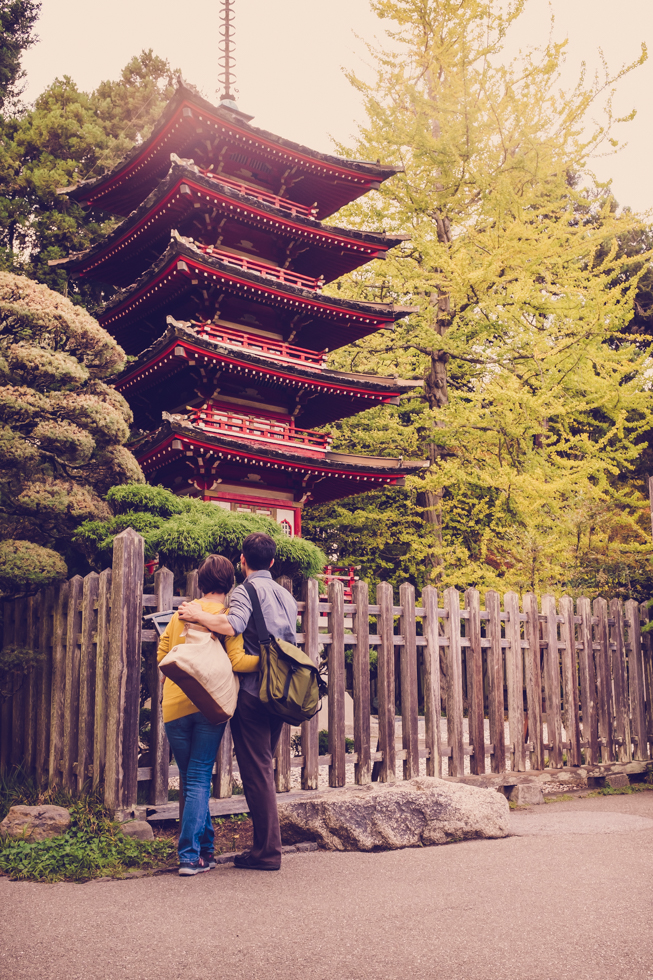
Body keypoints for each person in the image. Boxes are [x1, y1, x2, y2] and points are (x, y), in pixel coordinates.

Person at [178, 532, 297, 871]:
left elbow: (233, 624)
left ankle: (267, 853)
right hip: (281, 689)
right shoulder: (286, 596)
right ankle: (265, 848)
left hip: (254, 693)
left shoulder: (245, 590)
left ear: (242, 561)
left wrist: (197, 615)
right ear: (272, 562)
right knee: (264, 767)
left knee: (257, 770)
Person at [157, 553, 260, 876]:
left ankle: (206, 850)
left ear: (200, 581)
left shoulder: (182, 613)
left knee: (190, 779)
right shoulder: (227, 618)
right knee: (199, 777)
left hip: (174, 704)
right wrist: (267, 661)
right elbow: (239, 662)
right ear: (230, 583)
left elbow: (163, 655)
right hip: (209, 704)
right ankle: (188, 856)